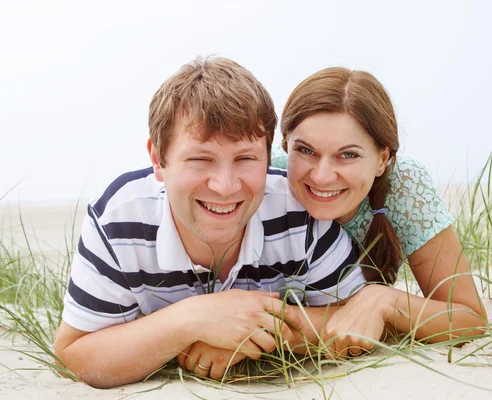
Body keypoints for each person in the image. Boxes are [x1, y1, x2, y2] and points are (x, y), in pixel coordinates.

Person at [53, 57, 367, 388]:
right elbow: (71, 357)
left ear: (267, 155)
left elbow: (356, 317)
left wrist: (248, 336)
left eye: (245, 158)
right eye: (201, 159)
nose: (225, 185)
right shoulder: (119, 218)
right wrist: (191, 320)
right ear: (159, 159)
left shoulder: (300, 212)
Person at [271, 67, 488, 358]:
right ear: (286, 145)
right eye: (306, 151)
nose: (321, 176)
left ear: (382, 159)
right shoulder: (264, 179)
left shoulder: (404, 188)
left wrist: (383, 301)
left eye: (347, 155)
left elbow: (469, 319)